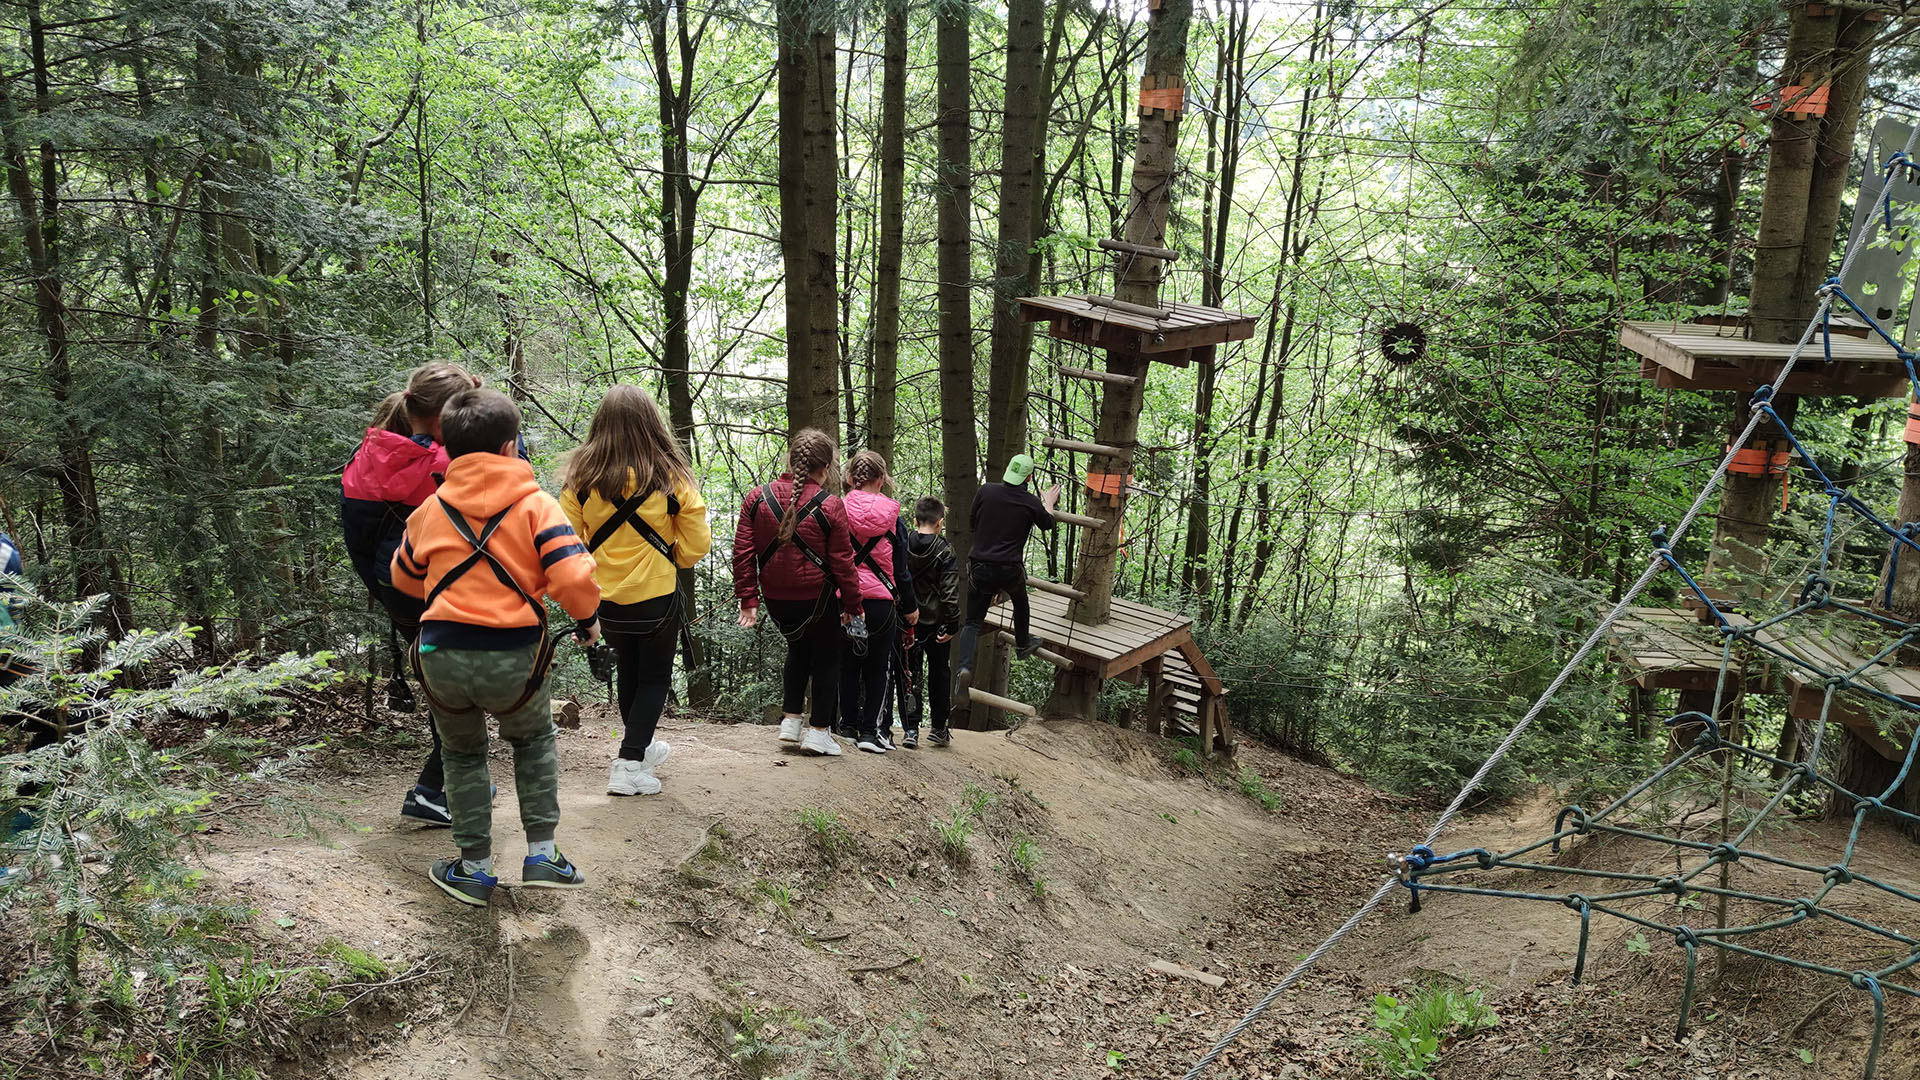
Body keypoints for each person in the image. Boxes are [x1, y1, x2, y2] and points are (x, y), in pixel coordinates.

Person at [391, 388, 601, 907]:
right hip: (516, 659)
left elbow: (404, 577)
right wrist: (588, 620)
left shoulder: (430, 509)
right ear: (510, 446)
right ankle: (543, 855)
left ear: (448, 447)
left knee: (462, 754)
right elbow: (573, 577)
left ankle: (473, 869)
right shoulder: (537, 507)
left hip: (441, 655)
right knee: (533, 742)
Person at [339, 363, 483, 827]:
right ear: (445, 417)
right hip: (440, 590)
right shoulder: (446, 467)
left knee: (447, 686)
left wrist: (388, 597)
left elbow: (359, 544)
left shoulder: (365, 460)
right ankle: (435, 790)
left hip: (397, 591)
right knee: (462, 691)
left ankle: (455, 781)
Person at [561, 385, 711, 797]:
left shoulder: (581, 479)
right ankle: (628, 764)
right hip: (656, 596)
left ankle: (639, 749)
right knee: (654, 677)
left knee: (629, 671)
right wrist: (673, 556)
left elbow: (567, 542)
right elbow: (696, 544)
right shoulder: (670, 478)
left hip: (605, 598)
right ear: (652, 424)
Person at [732, 428, 862, 757]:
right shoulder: (831, 505)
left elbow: (743, 552)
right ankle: (818, 731)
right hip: (817, 600)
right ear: (826, 468)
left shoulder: (756, 498)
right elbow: (843, 562)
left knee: (799, 649)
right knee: (827, 658)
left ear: (790, 460)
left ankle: (791, 721)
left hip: (776, 599)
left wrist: (749, 599)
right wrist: (853, 604)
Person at [950, 453, 1059, 712]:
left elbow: (973, 521)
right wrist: (1048, 502)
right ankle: (1023, 643)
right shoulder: (1030, 502)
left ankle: (964, 668)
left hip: (980, 567)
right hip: (1009, 570)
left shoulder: (986, 491)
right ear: (1029, 478)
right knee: (1021, 601)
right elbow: (1048, 523)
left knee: (972, 622)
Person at [838, 451, 917, 754]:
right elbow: (901, 570)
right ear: (882, 479)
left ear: (850, 478)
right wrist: (910, 608)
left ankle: (847, 727)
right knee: (877, 667)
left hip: (846, 601)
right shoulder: (893, 518)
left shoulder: (837, 510)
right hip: (881, 603)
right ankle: (870, 732)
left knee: (847, 664)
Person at [899, 497, 959, 748]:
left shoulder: (903, 544)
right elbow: (949, 592)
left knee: (910, 674)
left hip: (908, 622)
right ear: (940, 522)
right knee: (939, 673)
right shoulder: (945, 550)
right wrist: (953, 624)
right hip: (937, 625)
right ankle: (938, 728)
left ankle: (911, 729)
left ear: (915, 520)